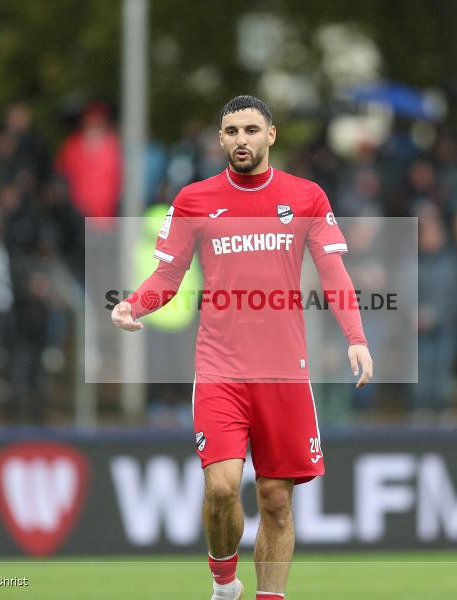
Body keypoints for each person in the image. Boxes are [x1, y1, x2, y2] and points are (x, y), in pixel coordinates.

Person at [112, 96, 373, 600]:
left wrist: (356, 338)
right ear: (221, 140)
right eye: (231, 132)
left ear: (270, 135)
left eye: (251, 130)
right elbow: (169, 274)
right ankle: (224, 583)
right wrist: (134, 305)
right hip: (220, 369)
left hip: (284, 373)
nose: (241, 140)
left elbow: (334, 272)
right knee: (223, 488)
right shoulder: (193, 200)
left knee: (276, 501)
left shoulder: (306, 198)